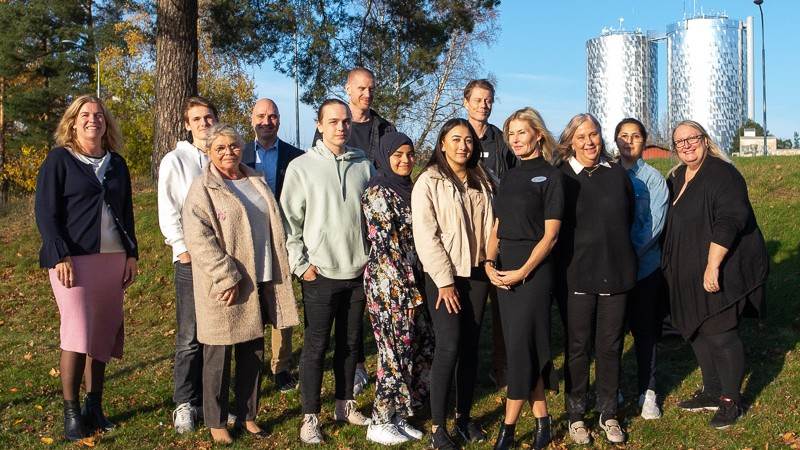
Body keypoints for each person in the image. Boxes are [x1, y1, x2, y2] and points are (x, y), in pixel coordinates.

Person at [182, 124, 300, 444]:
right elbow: (198, 238)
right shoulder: (202, 188)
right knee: (218, 354)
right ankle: (216, 421)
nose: (228, 153)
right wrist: (226, 274)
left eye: (233, 146)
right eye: (219, 148)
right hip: (226, 283)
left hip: (261, 278)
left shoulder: (256, 180)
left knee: (253, 353)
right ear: (209, 152)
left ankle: (248, 415)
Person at [35, 94, 138, 441]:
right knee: (77, 333)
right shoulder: (59, 160)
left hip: (112, 260)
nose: (93, 119)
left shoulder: (117, 163)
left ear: (106, 123)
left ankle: (95, 407)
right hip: (72, 261)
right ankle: (72, 413)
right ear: (73, 122)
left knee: (102, 336)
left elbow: (126, 212)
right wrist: (59, 253)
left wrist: (132, 254)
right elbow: (46, 213)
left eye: (99, 115)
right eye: (85, 114)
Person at [663, 120, 768, 429]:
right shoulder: (677, 177)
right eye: (679, 142)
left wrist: (713, 264)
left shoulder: (723, 174)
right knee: (697, 329)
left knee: (721, 333)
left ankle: (731, 400)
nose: (685, 145)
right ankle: (711, 391)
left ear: (705, 140)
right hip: (685, 271)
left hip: (720, 266)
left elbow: (731, 219)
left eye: (691, 138)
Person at [281, 99, 375, 444]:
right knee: (316, 347)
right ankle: (310, 417)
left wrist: (371, 258)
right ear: (319, 125)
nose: (341, 127)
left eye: (345, 121)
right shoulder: (302, 167)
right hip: (320, 274)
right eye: (333, 121)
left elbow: (374, 216)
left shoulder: (364, 165)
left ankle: (344, 404)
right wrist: (301, 265)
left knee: (351, 344)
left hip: (357, 272)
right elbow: (289, 222)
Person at [412, 118, 495, 449]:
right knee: (449, 345)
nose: (464, 146)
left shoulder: (481, 180)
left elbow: (492, 225)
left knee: (471, 347)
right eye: (456, 139)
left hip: (476, 273)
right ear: (442, 143)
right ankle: (438, 427)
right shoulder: (429, 181)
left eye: (469, 141)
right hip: (443, 277)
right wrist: (444, 281)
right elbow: (426, 236)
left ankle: (463, 417)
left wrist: (489, 261)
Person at [553, 113, 636, 445]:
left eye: (595, 135)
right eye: (582, 136)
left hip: (615, 271)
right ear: (571, 141)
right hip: (576, 275)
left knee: (610, 345)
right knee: (577, 347)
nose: (590, 142)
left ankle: (608, 412)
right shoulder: (562, 177)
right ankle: (575, 414)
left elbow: (628, 215)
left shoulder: (616, 173)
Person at [486, 108, 562, 450]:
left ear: (538, 135)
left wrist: (522, 272)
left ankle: (508, 428)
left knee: (519, 351)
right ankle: (543, 423)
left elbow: (551, 237)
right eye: (510, 134)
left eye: (521, 132)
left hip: (533, 272)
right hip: (504, 273)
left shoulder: (551, 176)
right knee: (525, 347)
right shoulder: (510, 177)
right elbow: (497, 228)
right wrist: (488, 262)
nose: (515, 139)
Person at [362, 132, 434, 445]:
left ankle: (398, 414)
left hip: (413, 279)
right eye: (398, 155)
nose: (405, 161)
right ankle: (378, 420)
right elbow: (385, 244)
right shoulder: (378, 190)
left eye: (409, 154)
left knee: (414, 349)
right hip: (390, 284)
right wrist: (405, 288)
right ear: (385, 156)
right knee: (392, 353)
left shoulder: (410, 188)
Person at [157, 96, 218, 433]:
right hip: (191, 261)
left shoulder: (223, 155)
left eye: (208, 117)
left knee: (217, 335)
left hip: (221, 259)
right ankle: (184, 402)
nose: (204, 124)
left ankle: (211, 402)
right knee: (190, 335)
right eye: (197, 119)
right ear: (187, 124)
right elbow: (167, 210)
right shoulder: (175, 161)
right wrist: (182, 250)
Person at [241, 98, 305, 392]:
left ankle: (281, 366)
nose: (267, 121)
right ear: (251, 119)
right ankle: (248, 366)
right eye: (261, 116)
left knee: (282, 303)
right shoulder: (237, 153)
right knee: (249, 304)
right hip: (246, 239)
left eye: (273, 116)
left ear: (280, 120)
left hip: (283, 238)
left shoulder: (296, 157)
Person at [614, 118, 669, 420]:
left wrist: (627, 254)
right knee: (612, 334)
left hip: (645, 269)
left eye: (635, 136)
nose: (628, 141)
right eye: (623, 136)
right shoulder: (606, 174)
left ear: (643, 141)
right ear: (616, 140)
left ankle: (648, 392)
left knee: (645, 333)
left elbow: (654, 225)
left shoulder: (653, 179)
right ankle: (614, 388)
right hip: (612, 272)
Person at [463, 79, 516, 387]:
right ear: (466, 102)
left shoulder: (500, 140)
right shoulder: (456, 134)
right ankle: (465, 366)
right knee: (470, 306)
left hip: (498, 232)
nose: (484, 105)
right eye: (478, 100)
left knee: (502, 305)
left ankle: (502, 366)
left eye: (488, 100)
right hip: (468, 234)